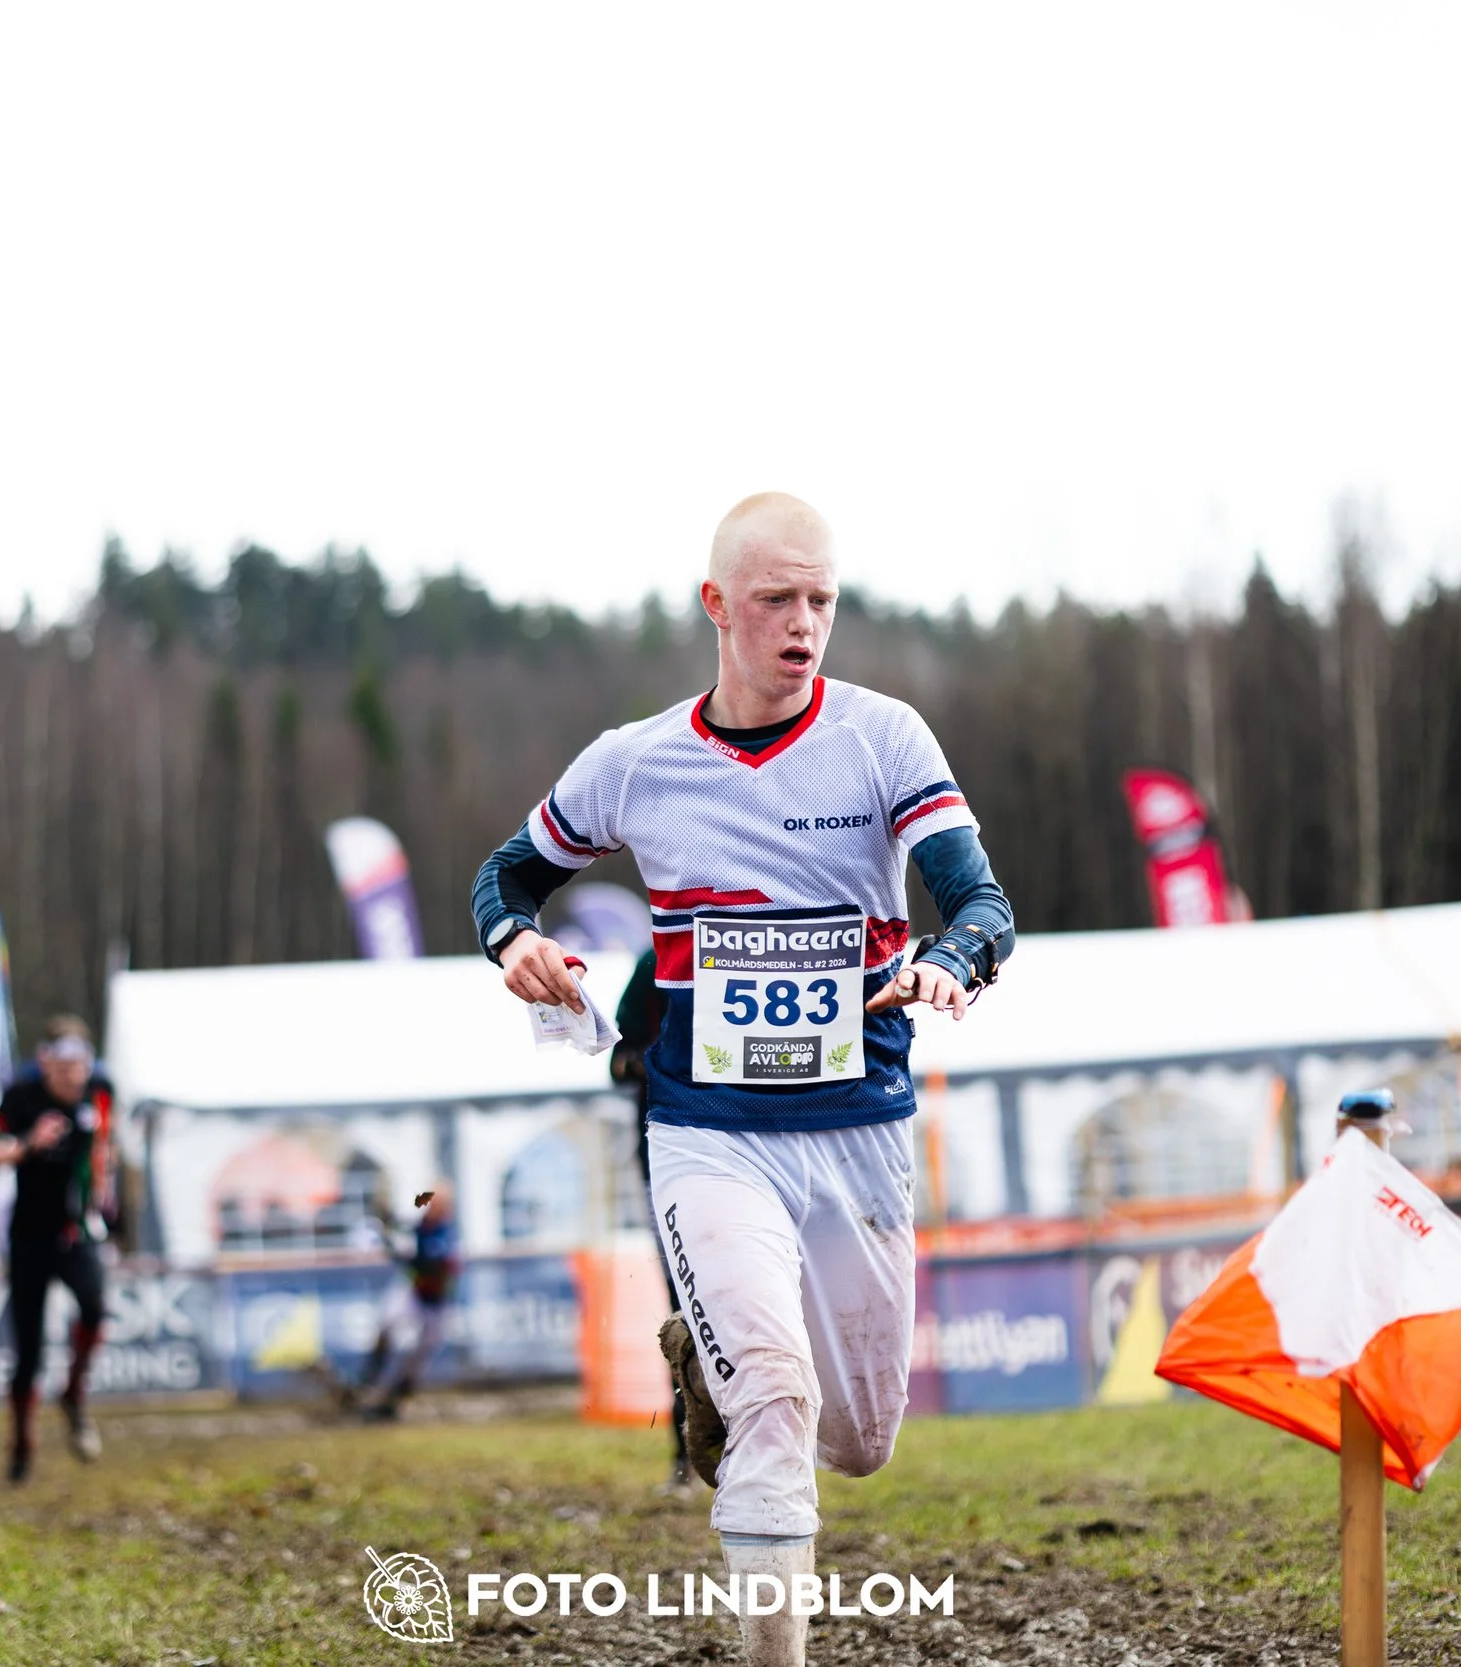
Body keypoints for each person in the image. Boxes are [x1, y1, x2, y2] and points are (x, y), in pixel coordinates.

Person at [471, 492, 1014, 1667]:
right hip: (705, 1124)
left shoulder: (883, 737)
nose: (803, 623)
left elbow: (981, 901)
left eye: (821, 599)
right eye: (776, 599)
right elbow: (507, 873)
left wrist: (946, 960)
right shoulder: (636, 761)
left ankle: (705, 1368)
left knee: (859, 1438)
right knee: (778, 1397)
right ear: (717, 605)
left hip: (859, 1124)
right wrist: (513, 941)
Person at [0, 1015, 115, 1481]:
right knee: (28, 1352)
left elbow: (105, 1146)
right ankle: (22, 1444)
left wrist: (102, 1184)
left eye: (80, 1067)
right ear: (45, 1063)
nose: (73, 1077)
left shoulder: (101, 1092)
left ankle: (73, 1395)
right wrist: (27, 1145)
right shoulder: (20, 1098)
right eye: (64, 1067)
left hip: (76, 1233)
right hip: (29, 1235)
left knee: (95, 1310)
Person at [612, 946, 695, 1487]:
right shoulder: (654, 963)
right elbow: (621, 1062)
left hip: (754, 1153)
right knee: (684, 1311)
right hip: (667, 1168)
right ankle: (686, 1451)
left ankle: (775, 1444)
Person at [352, 1185, 460, 1421]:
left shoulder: (445, 1233)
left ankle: (394, 1400)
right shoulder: (417, 1226)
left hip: (435, 1300)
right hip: (413, 1291)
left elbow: (431, 1263)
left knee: (419, 1354)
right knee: (388, 1326)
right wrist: (387, 1227)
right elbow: (397, 1241)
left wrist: (404, 1251)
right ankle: (367, 1383)